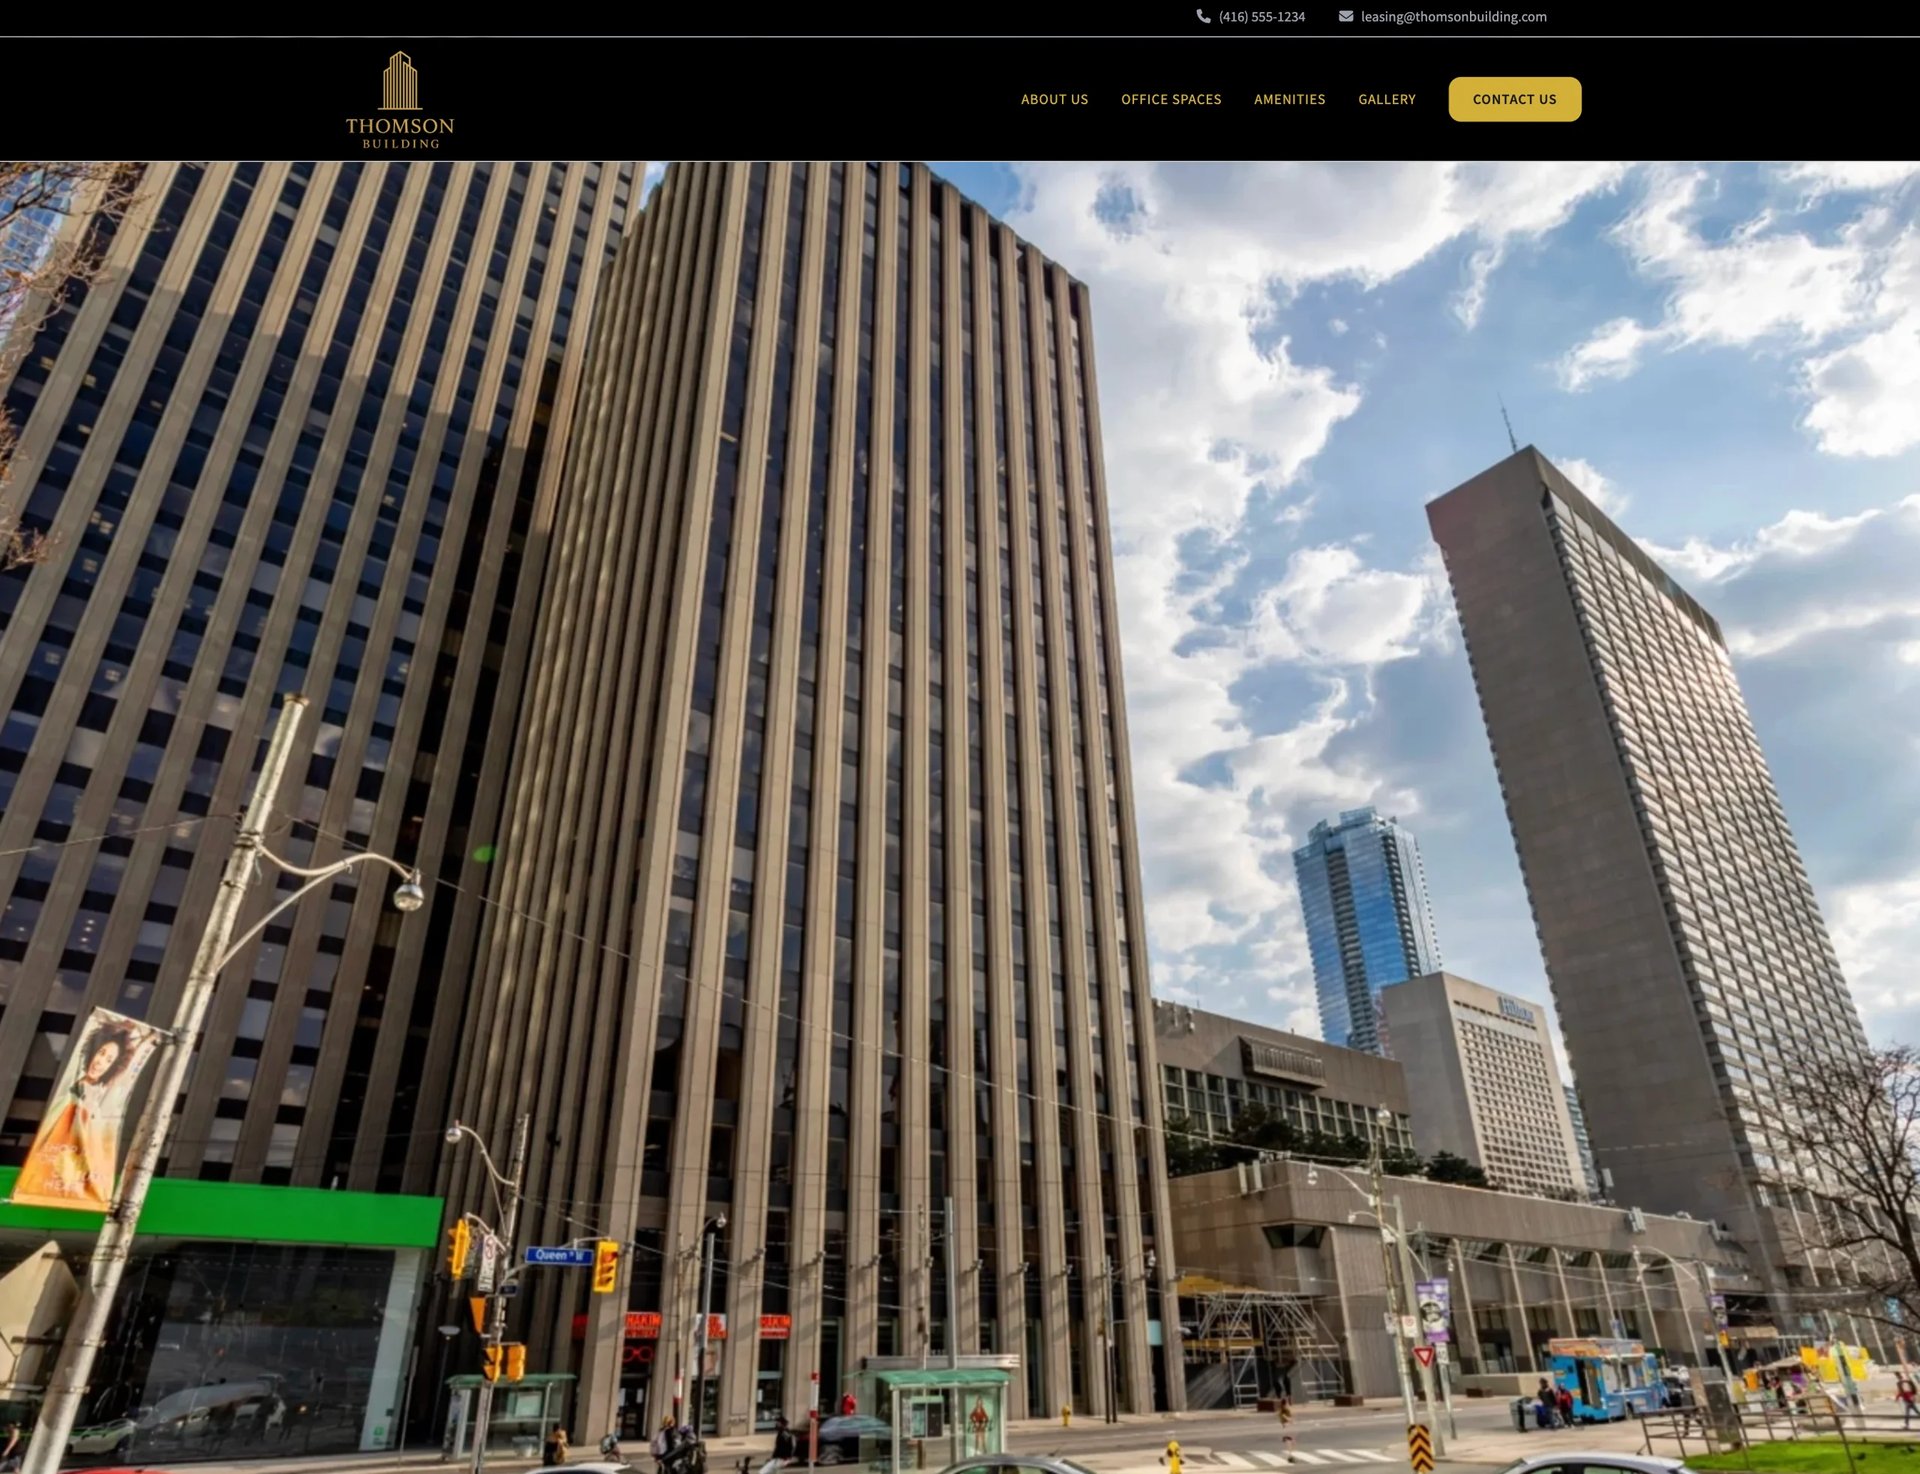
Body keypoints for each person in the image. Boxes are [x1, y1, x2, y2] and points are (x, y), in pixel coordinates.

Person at [12, 1020, 143, 1210]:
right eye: (101, 1053)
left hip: (74, 1175)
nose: (100, 1062)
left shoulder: (96, 1104)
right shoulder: (70, 1091)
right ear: (93, 1051)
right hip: (42, 1168)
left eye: (109, 1060)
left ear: (113, 1067)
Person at [1276, 1395, 1296, 1463]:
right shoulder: (1284, 1411)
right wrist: (1290, 1420)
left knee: (1291, 1442)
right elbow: (1287, 1418)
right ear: (1285, 1404)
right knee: (1290, 1442)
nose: (1288, 1404)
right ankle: (1290, 1456)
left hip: (1286, 1427)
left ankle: (1290, 1456)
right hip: (1287, 1427)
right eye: (1287, 1403)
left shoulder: (1283, 1410)